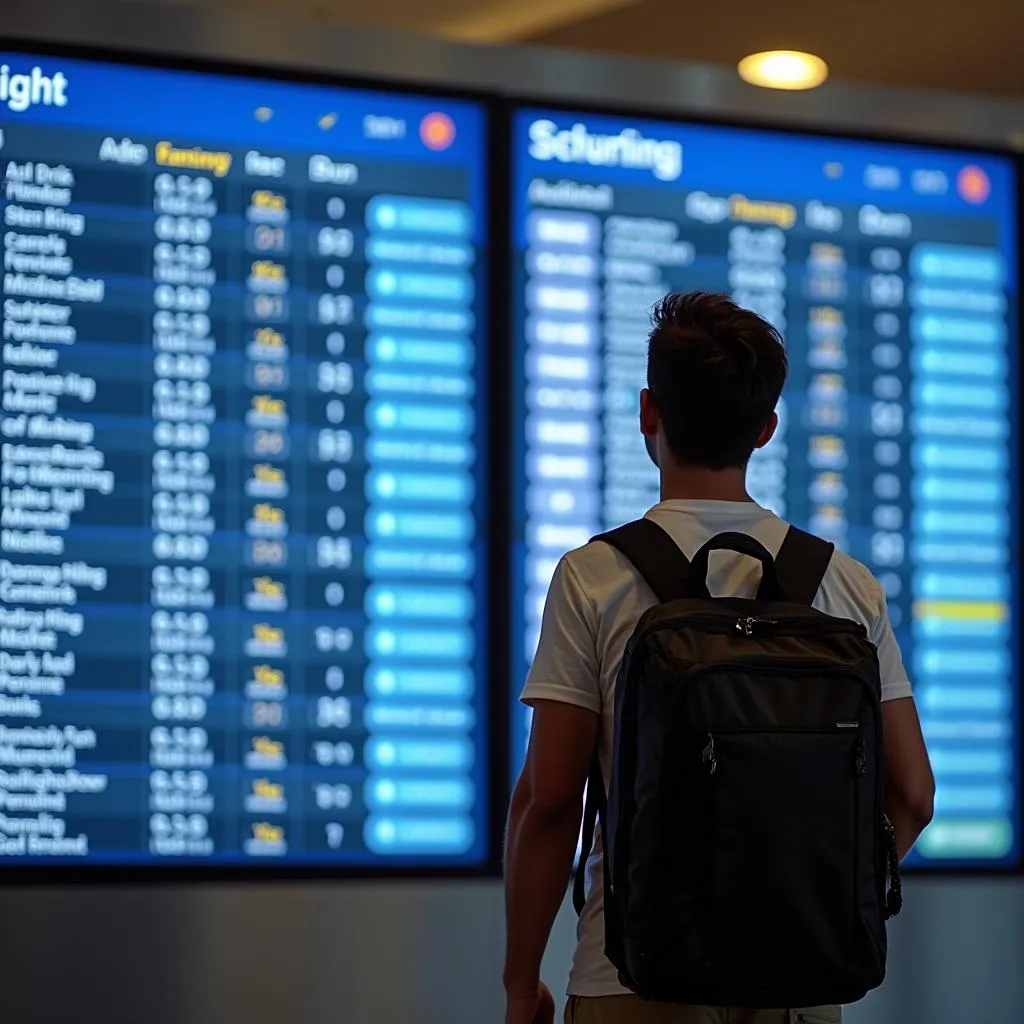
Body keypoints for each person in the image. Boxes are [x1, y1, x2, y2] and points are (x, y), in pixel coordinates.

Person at [503, 291, 936, 1024]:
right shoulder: (843, 582)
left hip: (634, 981)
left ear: (649, 413)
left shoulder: (594, 577)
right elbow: (915, 794)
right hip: (802, 983)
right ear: (766, 429)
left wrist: (520, 983)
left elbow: (549, 803)